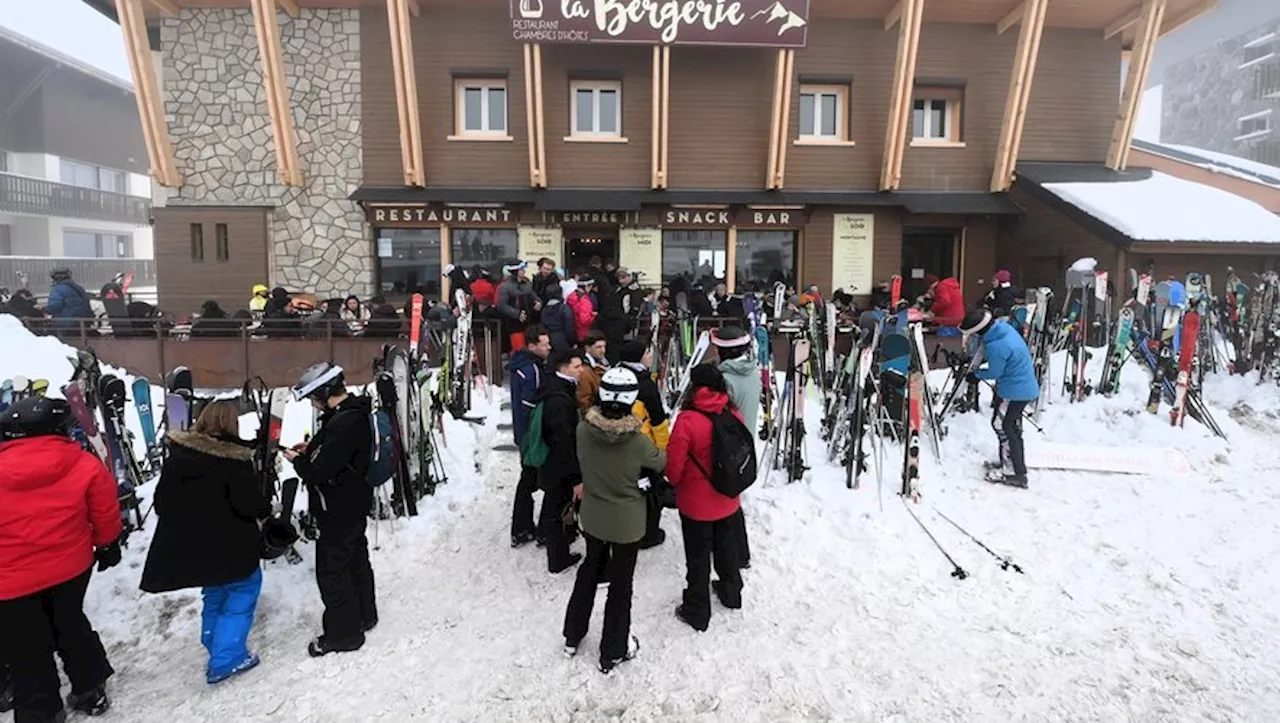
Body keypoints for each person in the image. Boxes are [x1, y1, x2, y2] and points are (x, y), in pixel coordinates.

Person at [0, 397, 122, 721]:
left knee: (27, 647)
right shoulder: (83, 463)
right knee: (70, 625)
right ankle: (90, 687)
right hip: (71, 568)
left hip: (11, 581)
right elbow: (105, 509)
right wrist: (108, 543)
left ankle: (42, 711)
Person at [140, 401, 271, 684]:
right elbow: (249, 505)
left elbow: (162, 503)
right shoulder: (234, 459)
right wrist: (266, 507)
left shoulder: (179, 455)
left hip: (195, 546)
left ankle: (213, 641)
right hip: (232, 544)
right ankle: (227, 658)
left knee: (214, 593)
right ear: (231, 423)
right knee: (242, 592)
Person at [563, 367, 666, 675]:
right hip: (627, 523)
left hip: (593, 516)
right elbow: (661, 461)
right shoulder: (637, 443)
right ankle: (613, 650)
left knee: (589, 572)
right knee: (621, 585)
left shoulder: (583, 430)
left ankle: (572, 635)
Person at [282, 364, 378, 656]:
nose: (313, 403)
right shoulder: (349, 414)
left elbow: (316, 472)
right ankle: (365, 615)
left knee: (333, 572)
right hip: (352, 504)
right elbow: (334, 456)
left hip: (337, 508)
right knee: (355, 560)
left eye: (314, 397)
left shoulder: (344, 423)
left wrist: (298, 461)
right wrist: (311, 449)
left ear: (325, 393)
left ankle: (343, 635)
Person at [665, 364, 745, 632]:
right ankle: (731, 591)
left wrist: (673, 483)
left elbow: (673, 468)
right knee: (727, 549)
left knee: (698, 558)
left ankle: (697, 610)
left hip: (696, 505)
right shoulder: (731, 412)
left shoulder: (687, 421)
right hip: (728, 499)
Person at [959, 309, 1039, 488]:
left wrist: (976, 374)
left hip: (1015, 391)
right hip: (1022, 388)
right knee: (1011, 427)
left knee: (1002, 425)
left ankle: (1013, 473)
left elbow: (996, 371)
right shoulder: (1003, 330)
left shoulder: (997, 345)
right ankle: (1012, 463)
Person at [534, 349, 586, 574]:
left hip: (553, 463)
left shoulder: (557, 388)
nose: (581, 370)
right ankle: (558, 559)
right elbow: (563, 442)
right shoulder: (560, 400)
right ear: (563, 369)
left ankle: (549, 540)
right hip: (558, 465)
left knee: (552, 506)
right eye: (576, 367)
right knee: (557, 510)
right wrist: (576, 477)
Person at [711, 326, 759, 569]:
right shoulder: (752, 372)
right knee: (732, 501)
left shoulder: (725, 380)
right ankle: (740, 554)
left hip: (728, 448)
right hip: (745, 446)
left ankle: (736, 556)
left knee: (727, 506)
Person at [616, 340, 670, 549]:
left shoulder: (614, 375)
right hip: (643, 447)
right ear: (638, 356)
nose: (650, 355)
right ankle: (649, 533)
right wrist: (662, 451)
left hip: (617, 445)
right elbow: (657, 421)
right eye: (647, 351)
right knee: (650, 492)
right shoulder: (645, 385)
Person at [509, 325, 552, 547]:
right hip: (531, 436)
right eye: (545, 344)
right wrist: (533, 437)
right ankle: (527, 528)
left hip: (522, 433)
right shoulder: (532, 371)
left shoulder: (520, 365)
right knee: (532, 480)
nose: (549, 347)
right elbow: (530, 406)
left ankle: (521, 527)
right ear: (532, 346)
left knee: (527, 481)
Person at [497, 261, 535, 351]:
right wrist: (517, 314)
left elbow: (533, 296)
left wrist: (538, 302)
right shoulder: (505, 287)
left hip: (529, 322)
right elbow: (502, 305)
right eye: (522, 269)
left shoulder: (527, 284)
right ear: (516, 271)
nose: (524, 271)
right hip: (514, 323)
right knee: (519, 349)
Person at [45, 268, 93, 332]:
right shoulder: (78, 287)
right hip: (81, 323)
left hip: (64, 324)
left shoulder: (57, 289)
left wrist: (44, 309)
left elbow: (54, 306)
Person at [576, 332, 609, 412]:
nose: (603, 350)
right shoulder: (584, 370)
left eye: (604, 346)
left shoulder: (604, 363)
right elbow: (584, 400)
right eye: (598, 347)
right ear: (587, 348)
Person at [539, 283, 577, 352]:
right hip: (564, 341)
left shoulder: (544, 310)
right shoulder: (564, 308)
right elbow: (569, 327)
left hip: (550, 342)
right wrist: (573, 341)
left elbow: (542, 327)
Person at [567, 275, 597, 342]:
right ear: (587, 286)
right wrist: (594, 316)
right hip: (583, 334)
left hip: (573, 332)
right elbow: (585, 320)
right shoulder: (585, 301)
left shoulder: (571, 296)